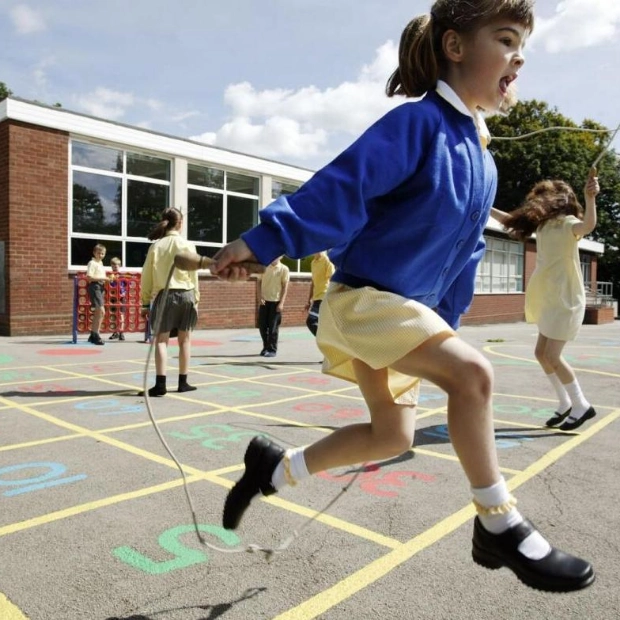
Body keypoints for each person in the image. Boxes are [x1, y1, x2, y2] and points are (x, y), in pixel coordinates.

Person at [211, 0, 595, 592]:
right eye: (506, 38)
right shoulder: (416, 124)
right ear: (455, 47)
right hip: (364, 302)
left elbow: (461, 259)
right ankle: (498, 522)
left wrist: (441, 324)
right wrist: (266, 240)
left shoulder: (484, 162)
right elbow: (345, 186)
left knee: (392, 436)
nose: (519, 54)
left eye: (524, 43)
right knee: (474, 376)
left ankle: (274, 468)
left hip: (403, 314)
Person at [490, 173, 600, 431]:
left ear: (560, 201)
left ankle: (582, 405)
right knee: (541, 353)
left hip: (567, 300)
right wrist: (486, 204)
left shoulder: (569, 223)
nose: (538, 201)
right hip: (551, 299)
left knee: (552, 355)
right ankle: (564, 403)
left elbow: (588, 227)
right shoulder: (543, 226)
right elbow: (508, 220)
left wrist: (590, 198)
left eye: (545, 196)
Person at [140, 207, 200, 396]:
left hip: (165, 295)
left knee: (161, 340)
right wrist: (196, 298)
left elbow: (146, 277)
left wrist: (145, 302)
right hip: (187, 294)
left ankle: (160, 385)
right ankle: (183, 382)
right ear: (180, 223)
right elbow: (194, 275)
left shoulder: (156, 247)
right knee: (185, 340)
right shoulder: (188, 245)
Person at [257, 256, 289, 357]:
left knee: (273, 327)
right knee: (262, 326)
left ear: (281, 257)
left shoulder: (284, 269)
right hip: (264, 301)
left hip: (276, 301)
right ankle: (266, 347)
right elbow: (259, 282)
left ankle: (272, 349)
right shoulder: (264, 266)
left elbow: (285, 286)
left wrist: (281, 303)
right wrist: (259, 297)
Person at [305, 251, 335, 336]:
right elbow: (313, 282)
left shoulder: (327, 260)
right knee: (321, 323)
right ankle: (328, 342)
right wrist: (309, 299)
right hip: (317, 297)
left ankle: (326, 340)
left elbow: (332, 279)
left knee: (311, 321)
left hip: (324, 296)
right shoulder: (313, 263)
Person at [85, 243, 108, 345]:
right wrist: (103, 278)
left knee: (99, 312)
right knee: (101, 311)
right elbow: (89, 278)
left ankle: (93, 334)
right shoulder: (92, 263)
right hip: (95, 286)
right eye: (99, 253)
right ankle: (96, 334)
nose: (101, 255)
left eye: (103, 253)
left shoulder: (101, 263)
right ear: (94, 253)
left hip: (100, 287)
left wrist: (107, 279)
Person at [108, 257, 127, 341]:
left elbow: (125, 285)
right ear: (111, 266)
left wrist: (124, 292)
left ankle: (121, 332)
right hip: (113, 297)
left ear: (120, 266)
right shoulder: (110, 276)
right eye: (114, 265)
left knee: (121, 314)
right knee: (114, 315)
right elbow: (109, 285)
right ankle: (115, 332)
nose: (116, 266)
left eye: (117, 265)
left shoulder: (122, 276)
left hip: (121, 297)